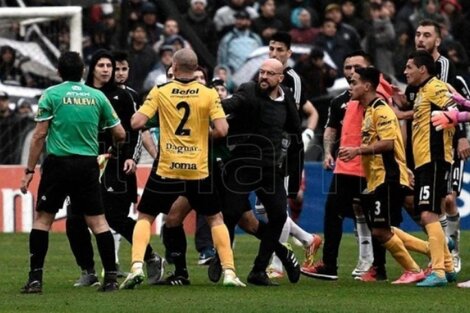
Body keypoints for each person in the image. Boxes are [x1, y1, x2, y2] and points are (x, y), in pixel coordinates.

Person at [120, 48, 245, 289]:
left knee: (145, 215)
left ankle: (136, 266)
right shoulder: (208, 94)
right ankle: (229, 272)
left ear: (174, 68)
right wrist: (201, 134)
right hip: (198, 169)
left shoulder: (160, 91)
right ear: (197, 69)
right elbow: (222, 130)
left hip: (167, 168)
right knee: (214, 218)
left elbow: (136, 123)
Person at [19, 51, 125, 293]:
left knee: (43, 220)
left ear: (58, 71)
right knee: (98, 221)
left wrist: (29, 170)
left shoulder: (51, 95)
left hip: (58, 164)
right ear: (84, 72)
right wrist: (113, 148)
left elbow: (39, 136)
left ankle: (35, 280)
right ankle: (110, 278)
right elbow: (119, 133)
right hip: (87, 164)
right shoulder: (97, 96)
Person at [65, 49, 164, 288]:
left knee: (115, 217)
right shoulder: (82, 94)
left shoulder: (125, 96)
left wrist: (131, 157)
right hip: (85, 163)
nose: (108, 70)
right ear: (92, 68)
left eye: (111, 66)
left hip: (117, 164)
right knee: (75, 218)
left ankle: (150, 256)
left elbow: (136, 130)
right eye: (103, 65)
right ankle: (87, 270)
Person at [338, 67, 426, 285]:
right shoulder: (368, 111)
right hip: (377, 178)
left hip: (388, 177)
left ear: (367, 86)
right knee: (385, 227)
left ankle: (414, 269)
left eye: (354, 82)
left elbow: (388, 143)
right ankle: (436, 251)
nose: (351, 87)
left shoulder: (381, 110)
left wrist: (357, 151)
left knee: (380, 230)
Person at [219, 58, 303, 286]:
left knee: (278, 215)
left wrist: (292, 179)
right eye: (262, 72)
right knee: (232, 213)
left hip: (269, 169)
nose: (263, 77)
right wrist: (212, 107)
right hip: (241, 165)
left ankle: (258, 270)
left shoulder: (285, 99)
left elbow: (296, 137)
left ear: (280, 78)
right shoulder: (248, 90)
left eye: (269, 73)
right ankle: (222, 257)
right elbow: (230, 105)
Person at [263, 31, 321, 278]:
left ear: (289, 53)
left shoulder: (293, 80)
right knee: (262, 209)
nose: (274, 53)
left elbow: (293, 116)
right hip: (265, 148)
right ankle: (308, 239)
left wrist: (304, 137)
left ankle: (277, 264)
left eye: (279, 50)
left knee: (278, 207)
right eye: (271, 49)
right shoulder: (265, 75)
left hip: (284, 150)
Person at [403, 50, 456, 287]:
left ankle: (439, 272)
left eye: (409, 67)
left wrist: (453, 123)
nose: (405, 72)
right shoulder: (423, 91)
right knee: (428, 213)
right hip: (425, 160)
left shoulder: (436, 87)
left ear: (422, 69)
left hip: (435, 158)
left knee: (428, 214)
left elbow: (457, 110)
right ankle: (447, 265)